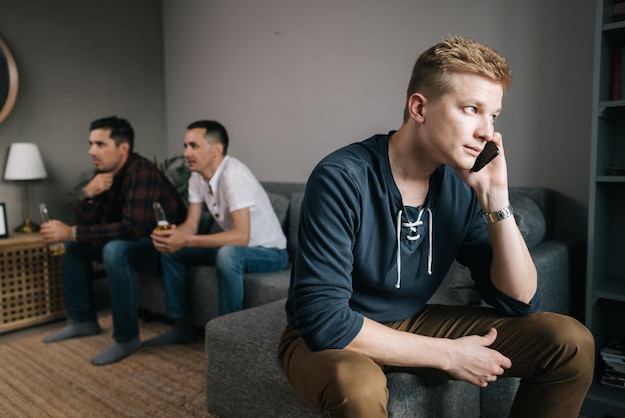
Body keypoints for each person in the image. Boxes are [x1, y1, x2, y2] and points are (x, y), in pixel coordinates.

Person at [278, 36, 594, 417]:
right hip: (328, 337)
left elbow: (521, 300)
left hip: (411, 321)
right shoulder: (343, 177)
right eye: (471, 109)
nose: (485, 131)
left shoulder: (459, 188)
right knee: (357, 387)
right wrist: (448, 354)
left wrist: (495, 198)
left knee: (569, 342)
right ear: (419, 108)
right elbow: (324, 321)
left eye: (493, 116)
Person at [40, 116, 187, 366]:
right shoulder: (104, 175)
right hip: (134, 245)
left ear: (123, 148)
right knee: (72, 246)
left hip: (161, 250)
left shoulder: (142, 172)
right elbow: (87, 226)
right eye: (91, 144)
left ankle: (127, 338)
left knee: (114, 250)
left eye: (100, 144)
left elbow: (133, 229)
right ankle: (83, 320)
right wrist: (88, 194)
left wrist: (72, 231)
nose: (91, 151)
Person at [145, 120, 288, 346]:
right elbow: (191, 225)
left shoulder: (234, 175)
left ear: (217, 150)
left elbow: (241, 236)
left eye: (194, 146)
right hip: (235, 249)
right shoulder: (197, 177)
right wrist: (173, 237)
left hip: (270, 253)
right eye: (185, 146)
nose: (186, 153)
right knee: (174, 251)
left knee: (228, 254)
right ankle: (181, 325)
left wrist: (187, 239)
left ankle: (228, 337)